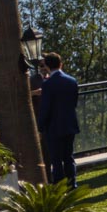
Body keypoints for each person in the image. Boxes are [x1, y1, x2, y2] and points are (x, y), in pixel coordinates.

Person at [38, 52, 80, 187]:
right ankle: (72, 184)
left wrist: (40, 127)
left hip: (53, 126)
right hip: (69, 123)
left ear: (47, 66)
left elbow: (45, 108)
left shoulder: (48, 84)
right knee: (68, 157)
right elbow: (74, 102)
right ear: (60, 64)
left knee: (56, 159)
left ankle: (59, 186)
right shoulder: (72, 81)